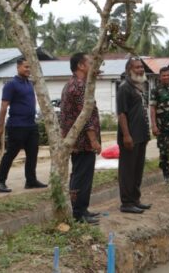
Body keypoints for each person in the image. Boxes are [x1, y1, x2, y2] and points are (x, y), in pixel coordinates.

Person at [0, 57, 47, 193]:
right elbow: (4, 107)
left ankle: (31, 180)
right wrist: (0, 126)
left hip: (31, 125)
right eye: (26, 67)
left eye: (30, 67)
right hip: (17, 125)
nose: (28, 70)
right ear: (18, 67)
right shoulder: (11, 85)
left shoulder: (29, 83)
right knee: (11, 153)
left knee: (33, 153)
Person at [60, 52, 103, 225]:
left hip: (78, 140)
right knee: (81, 176)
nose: (94, 66)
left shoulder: (75, 84)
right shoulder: (79, 86)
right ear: (81, 66)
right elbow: (85, 116)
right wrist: (93, 140)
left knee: (82, 175)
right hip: (82, 141)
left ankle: (82, 209)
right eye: (90, 63)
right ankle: (78, 213)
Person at [116, 57, 151, 214]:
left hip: (141, 135)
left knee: (137, 170)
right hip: (130, 137)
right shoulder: (124, 88)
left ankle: (135, 199)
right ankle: (127, 203)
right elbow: (121, 114)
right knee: (128, 171)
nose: (141, 69)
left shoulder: (140, 86)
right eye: (137, 67)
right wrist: (126, 135)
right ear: (129, 70)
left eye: (141, 67)